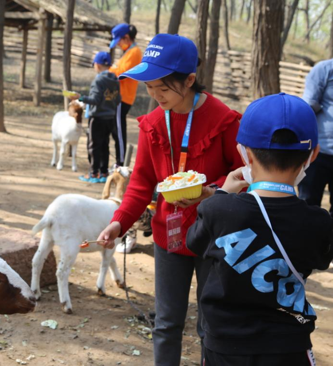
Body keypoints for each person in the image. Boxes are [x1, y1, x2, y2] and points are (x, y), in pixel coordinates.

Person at [96, 34, 243, 364]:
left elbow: (244, 173)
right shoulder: (152, 124)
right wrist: (119, 222)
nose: (153, 95)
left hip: (214, 238)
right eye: (148, 86)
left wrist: (213, 192)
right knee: (166, 324)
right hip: (169, 235)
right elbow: (141, 183)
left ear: (189, 80)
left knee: (211, 326)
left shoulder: (224, 120)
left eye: (162, 88)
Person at [187, 93, 333, 366]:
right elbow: (321, 258)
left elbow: (195, 242)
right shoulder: (319, 221)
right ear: (312, 155)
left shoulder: (219, 210)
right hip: (289, 348)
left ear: (244, 153)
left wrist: (221, 194)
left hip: (224, 349)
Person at [72, 51, 121, 184]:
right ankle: (104, 172)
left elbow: (95, 99)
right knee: (105, 144)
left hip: (98, 118)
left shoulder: (99, 80)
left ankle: (94, 173)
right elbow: (118, 100)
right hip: (110, 117)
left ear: (98, 65)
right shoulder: (115, 79)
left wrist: (80, 97)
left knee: (93, 145)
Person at [298, 59, 333, 214]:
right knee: (307, 204)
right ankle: (305, 239)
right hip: (319, 152)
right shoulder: (325, 69)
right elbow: (309, 105)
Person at [109, 23, 143, 167]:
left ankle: (121, 163)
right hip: (118, 98)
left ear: (126, 37)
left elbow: (119, 73)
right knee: (115, 130)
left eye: (119, 41)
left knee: (119, 131)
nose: (118, 45)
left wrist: (109, 72)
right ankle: (119, 161)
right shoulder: (128, 52)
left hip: (122, 98)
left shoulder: (134, 52)